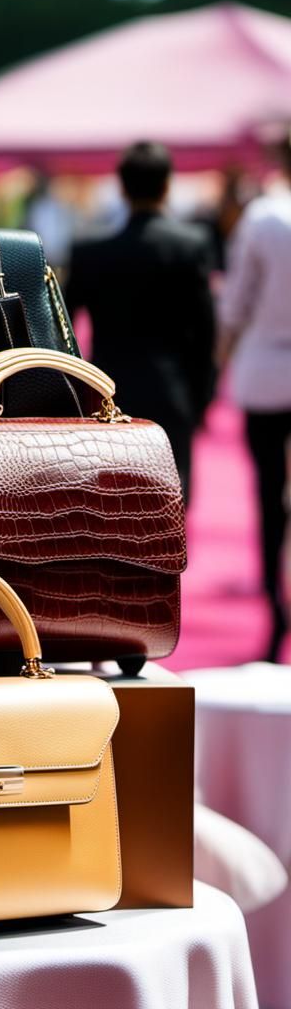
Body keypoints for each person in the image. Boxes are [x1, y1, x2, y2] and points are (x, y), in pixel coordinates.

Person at [66, 142, 216, 504]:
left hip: (109, 397)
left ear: (121, 187)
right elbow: (205, 332)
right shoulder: (190, 245)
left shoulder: (91, 252)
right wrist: (200, 400)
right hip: (171, 393)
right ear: (168, 185)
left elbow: (62, 328)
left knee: (113, 504)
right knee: (170, 504)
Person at [218, 137, 291, 664]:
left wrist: (219, 360)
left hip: (267, 371)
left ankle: (275, 609)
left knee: (270, 497)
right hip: (266, 367)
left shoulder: (264, 217)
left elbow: (237, 303)